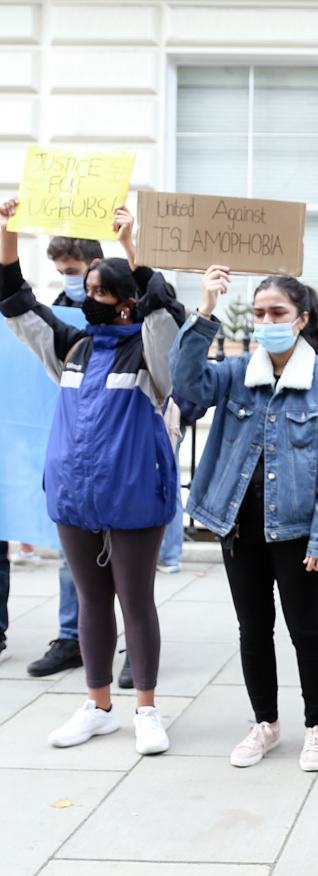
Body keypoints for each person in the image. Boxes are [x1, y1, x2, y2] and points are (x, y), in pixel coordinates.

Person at [0, 198, 183, 754]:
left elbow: (164, 310)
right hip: (75, 499)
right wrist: (6, 234)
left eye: (102, 292)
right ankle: (98, 705)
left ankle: (146, 711)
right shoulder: (72, 348)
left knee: (135, 599)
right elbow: (19, 305)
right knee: (89, 600)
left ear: (126, 304)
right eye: (89, 290)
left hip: (133, 499)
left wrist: (133, 245)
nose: (89, 299)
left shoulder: (152, 353)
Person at [169, 270, 318, 773]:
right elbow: (185, 385)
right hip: (238, 528)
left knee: (305, 629)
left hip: (298, 532)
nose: (266, 322)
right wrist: (205, 310)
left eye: (278, 313)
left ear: (302, 320)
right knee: (253, 629)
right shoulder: (232, 373)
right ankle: (265, 723)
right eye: (259, 313)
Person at [24, 235, 103, 679]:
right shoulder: (58, 314)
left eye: (73, 272)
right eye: (62, 272)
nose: (68, 282)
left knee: (130, 564)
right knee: (70, 555)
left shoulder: (124, 309)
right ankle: (72, 638)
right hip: (72, 447)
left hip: (117, 456)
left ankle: (133, 647)